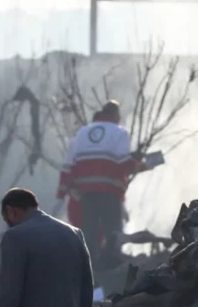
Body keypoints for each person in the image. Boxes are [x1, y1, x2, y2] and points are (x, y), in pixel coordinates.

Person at [55, 101, 145, 268]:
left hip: (86, 194)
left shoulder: (82, 133)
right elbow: (123, 162)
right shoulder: (119, 132)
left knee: (90, 231)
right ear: (115, 115)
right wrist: (143, 166)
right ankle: (111, 265)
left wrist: (61, 196)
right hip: (109, 192)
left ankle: (91, 267)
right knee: (112, 231)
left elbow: (67, 167)